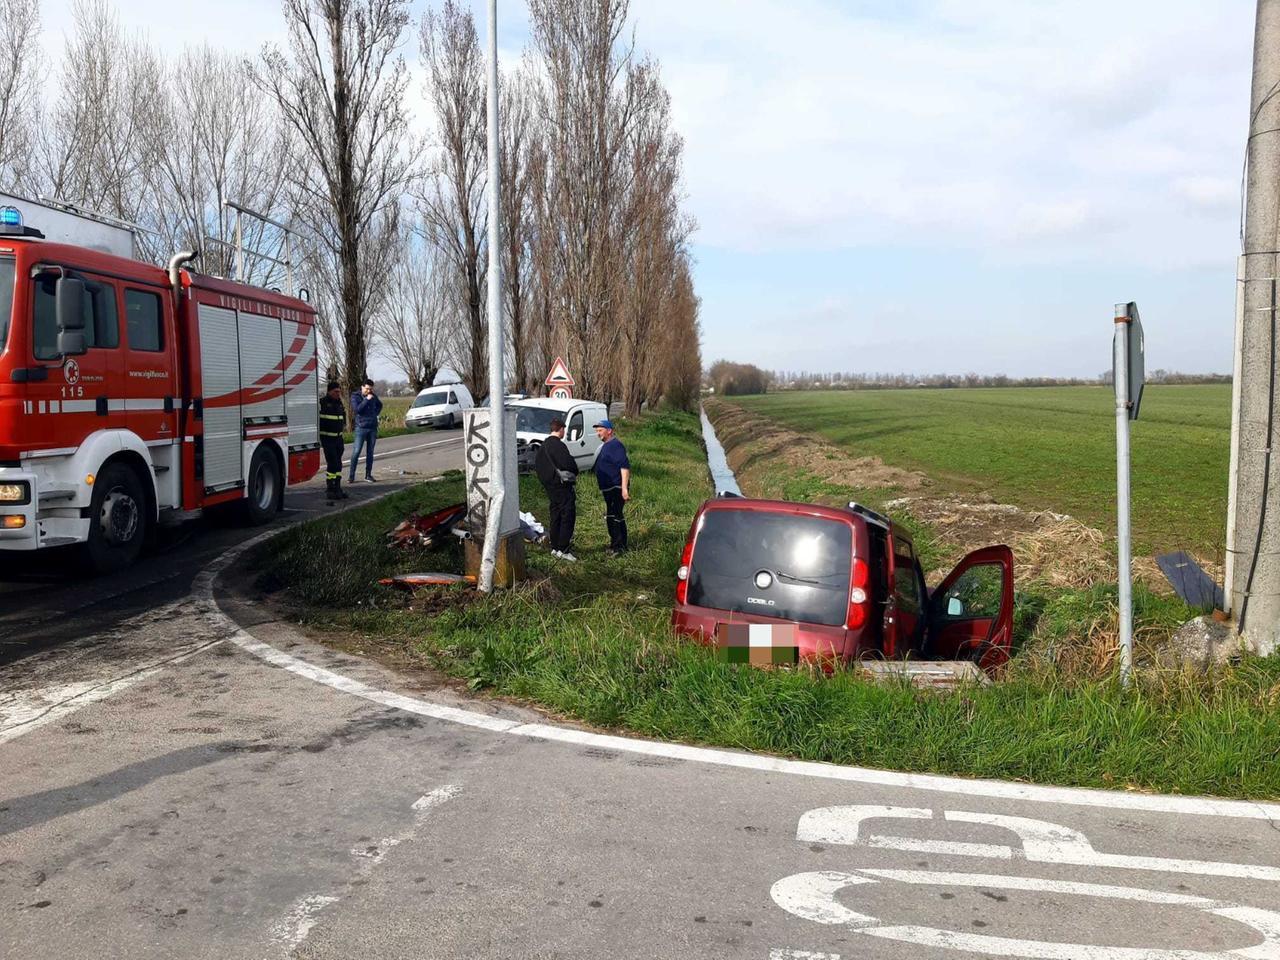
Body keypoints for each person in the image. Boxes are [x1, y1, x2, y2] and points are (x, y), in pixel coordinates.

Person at [534, 417, 580, 561]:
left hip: (550, 487)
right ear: (560, 429)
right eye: (564, 429)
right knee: (567, 516)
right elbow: (569, 464)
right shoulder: (558, 445)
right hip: (562, 486)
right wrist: (574, 471)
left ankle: (554, 547)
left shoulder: (544, 445)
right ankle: (564, 549)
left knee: (555, 515)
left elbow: (538, 466)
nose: (564, 432)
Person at [592, 418, 630, 555]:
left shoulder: (616, 445)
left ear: (609, 431)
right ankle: (615, 544)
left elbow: (624, 467)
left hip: (616, 488)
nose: (598, 433)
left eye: (600, 430)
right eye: (597, 431)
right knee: (611, 516)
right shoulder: (607, 445)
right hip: (608, 489)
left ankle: (620, 547)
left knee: (615, 516)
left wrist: (624, 489)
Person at [318, 381, 349, 503]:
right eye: (336, 392)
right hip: (328, 439)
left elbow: (343, 417)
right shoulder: (323, 403)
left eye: (339, 391)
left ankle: (338, 488)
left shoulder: (339, 403)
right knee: (332, 463)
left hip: (338, 439)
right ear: (329, 391)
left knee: (339, 464)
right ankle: (330, 488)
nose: (338, 394)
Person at [349, 378, 383, 483]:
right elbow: (357, 409)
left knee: (370, 452)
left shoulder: (373, 396)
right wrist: (366, 400)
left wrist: (375, 414)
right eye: (367, 389)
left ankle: (368, 475)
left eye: (371, 389)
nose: (369, 391)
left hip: (372, 427)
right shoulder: (355, 396)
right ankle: (351, 476)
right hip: (361, 427)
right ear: (362, 387)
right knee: (356, 451)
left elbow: (380, 405)